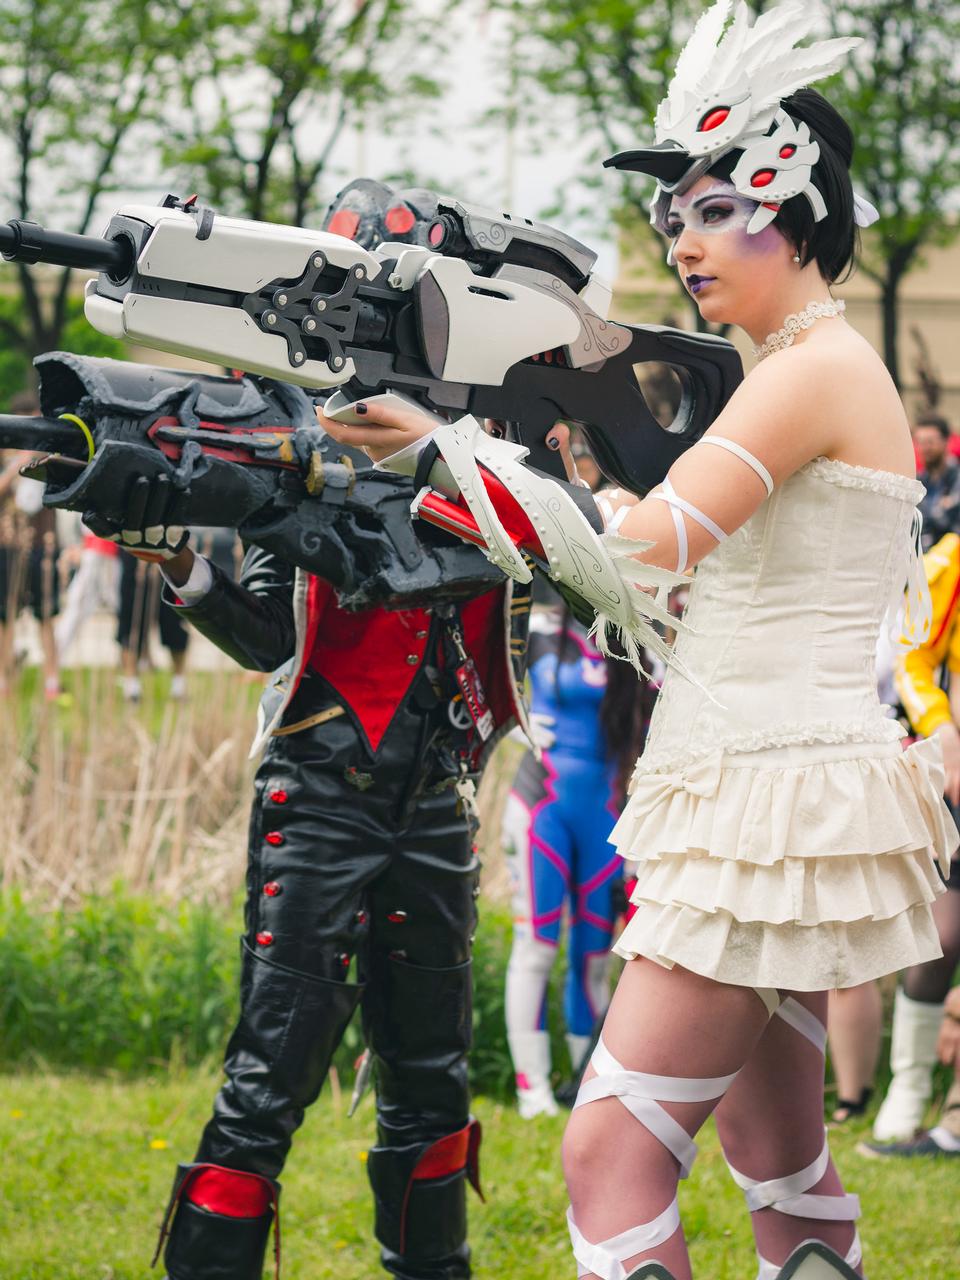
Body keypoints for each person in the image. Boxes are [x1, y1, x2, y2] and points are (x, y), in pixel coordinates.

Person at [319, 5, 956, 1276]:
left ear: (801, 201)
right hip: (780, 791)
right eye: (679, 215)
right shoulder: (812, 367)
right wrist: (553, 479)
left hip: (760, 802)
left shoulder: (803, 369)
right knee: (783, 1168)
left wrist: (449, 449)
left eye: (721, 206)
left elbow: (647, 556)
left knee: (605, 1158)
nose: (686, 237)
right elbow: (673, 574)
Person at [96, 451, 539, 1280]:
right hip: (321, 797)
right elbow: (268, 635)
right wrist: (180, 560)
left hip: (438, 797)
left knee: (434, 1081)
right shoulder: (302, 452)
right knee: (268, 1084)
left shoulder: (492, 454)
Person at [503, 597, 654, 1118]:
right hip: (541, 806)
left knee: (593, 959)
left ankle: (582, 1089)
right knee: (537, 946)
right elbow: (478, 673)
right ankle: (533, 1090)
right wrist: (512, 722)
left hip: (606, 815)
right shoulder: (537, 628)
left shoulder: (636, 646)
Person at [860, 529, 960, 1152]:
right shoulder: (952, 556)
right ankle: (909, 1086)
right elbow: (912, 651)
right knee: (938, 936)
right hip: (956, 775)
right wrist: (944, 733)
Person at [0, 391, 61, 699]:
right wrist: (16, 466)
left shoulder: (48, 452)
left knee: (46, 615)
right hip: (9, 547)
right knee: (5, 616)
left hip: (41, 545)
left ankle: (52, 679)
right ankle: (5, 678)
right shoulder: (6, 454)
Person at [914, 413, 960, 551]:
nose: (924, 448)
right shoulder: (918, 481)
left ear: (946, 441)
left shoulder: (956, 478)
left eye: (930, 442)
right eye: (920, 442)